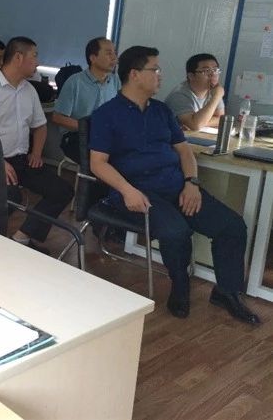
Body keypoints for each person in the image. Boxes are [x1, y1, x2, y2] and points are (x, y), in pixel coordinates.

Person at [90, 46, 260, 324]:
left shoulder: (161, 111)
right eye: (155, 69)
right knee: (176, 232)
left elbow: (184, 151)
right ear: (134, 74)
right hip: (136, 192)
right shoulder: (106, 114)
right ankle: (180, 285)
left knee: (232, 226)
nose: (160, 75)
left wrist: (191, 182)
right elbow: (98, 163)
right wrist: (128, 191)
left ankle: (226, 292)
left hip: (177, 187)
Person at [0, 36, 74, 251]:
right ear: (18, 57)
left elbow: (40, 126)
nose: (37, 62)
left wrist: (37, 152)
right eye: (34, 56)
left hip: (22, 160)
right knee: (11, 196)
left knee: (62, 190)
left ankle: (23, 237)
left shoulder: (28, 90)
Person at [52, 37, 120, 163]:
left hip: (105, 136)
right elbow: (58, 117)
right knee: (100, 159)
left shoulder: (116, 81)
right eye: (108, 53)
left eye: (115, 53)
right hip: (77, 136)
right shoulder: (75, 82)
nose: (114, 58)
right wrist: (88, 127)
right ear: (93, 58)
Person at [165, 53, 225, 131]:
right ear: (191, 76)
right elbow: (196, 125)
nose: (213, 74)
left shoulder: (214, 90)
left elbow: (221, 119)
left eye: (215, 70)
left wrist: (200, 122)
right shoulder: (178, 95)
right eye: (206, 71)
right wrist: (216, 97)